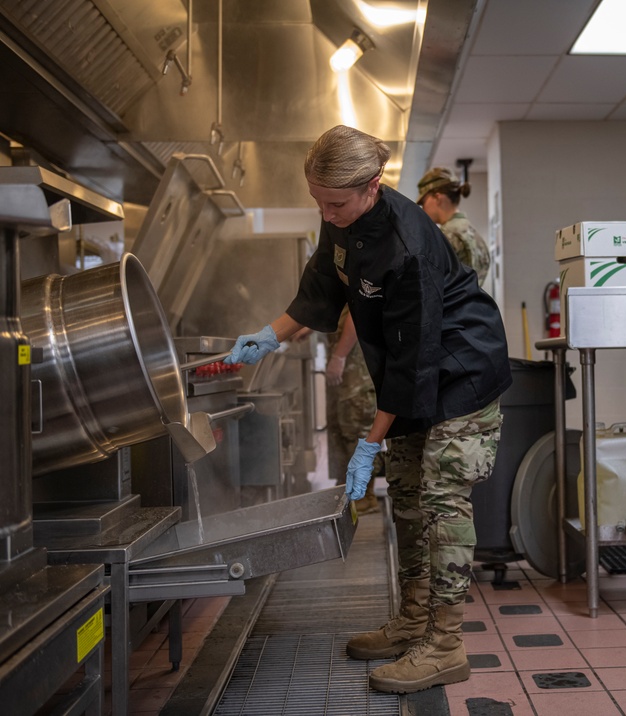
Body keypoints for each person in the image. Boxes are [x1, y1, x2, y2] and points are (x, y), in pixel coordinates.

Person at [225, 125, 512, 694]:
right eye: (317, 201)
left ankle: (446, 645)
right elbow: (322, 286)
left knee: (438, 497)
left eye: (335, 202)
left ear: (373, 186)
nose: (325, 213)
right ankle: (412, 621)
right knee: (403, 496)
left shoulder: (410, 245)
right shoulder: (341, 218)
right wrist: (271, 333)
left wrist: (369, 440)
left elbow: (414, 361)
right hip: (413, 371)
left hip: (460, 371)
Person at [325, 306, 381, 515]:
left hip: (356, 372)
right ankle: (352, 492)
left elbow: (358, 317)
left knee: (356, 427)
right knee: (343, 428)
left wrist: (339, 356)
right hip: (348, 374)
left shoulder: (355, 276)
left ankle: (365, 496)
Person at [415, 167, 491, 287]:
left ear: (438, 197)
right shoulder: (475, 235)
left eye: (423, 202)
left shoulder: (445, 236)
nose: (423, 208)